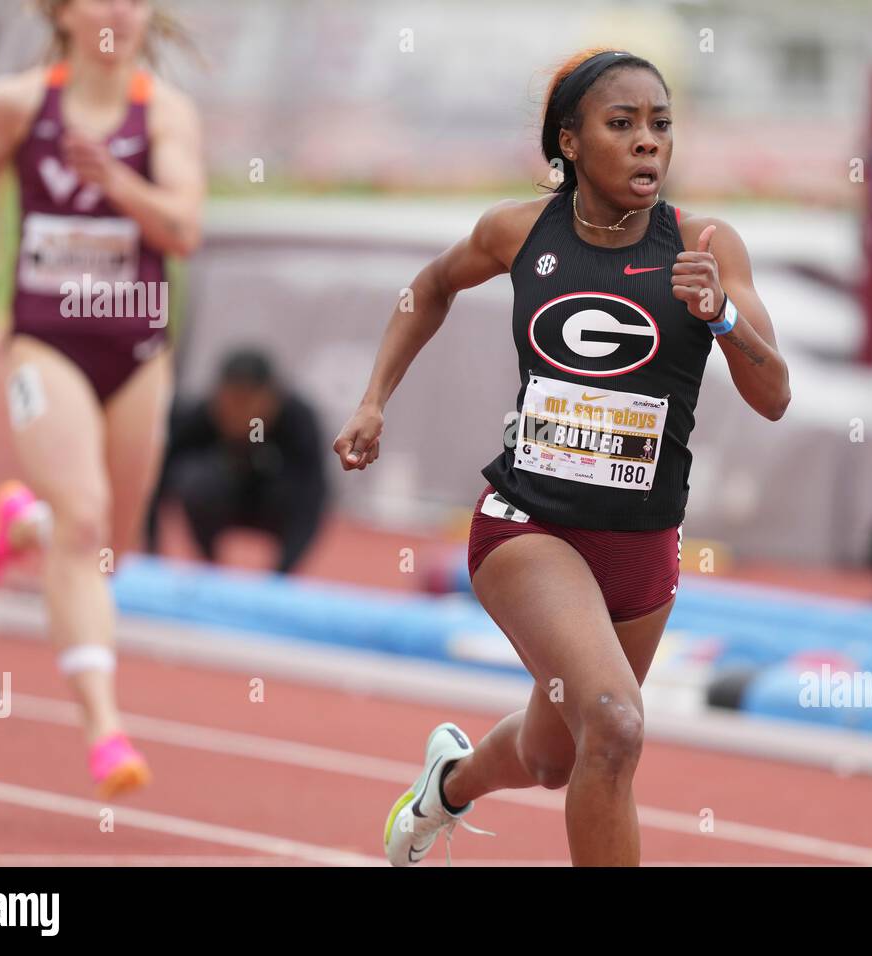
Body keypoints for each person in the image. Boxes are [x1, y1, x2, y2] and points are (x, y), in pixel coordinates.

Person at [333, 48, 792, 867]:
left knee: (558, 757)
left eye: (660, 126)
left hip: (642, 548)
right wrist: (374, 398)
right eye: (622, 126)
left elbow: (775, 394)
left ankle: (449, 782)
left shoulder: (706, 246)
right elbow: (429, 288)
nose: (648, 142)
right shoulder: (519, 231)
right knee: (614, 725)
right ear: (569, 143)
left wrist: (723, 319)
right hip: (527, 527)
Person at [0, 0, 205, 798]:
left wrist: (115, 181)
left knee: (105, 550)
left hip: (134, 348)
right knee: (84, 518)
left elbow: (185, 229)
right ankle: (103, 728)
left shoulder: (164, 112)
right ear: (60, 10)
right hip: (42, 339)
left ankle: (24, 523)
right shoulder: (17, 104)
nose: (121, 11)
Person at [146, 348, 327, 575]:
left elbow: (314, 499)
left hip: (273, 502)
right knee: (194, 480)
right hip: (225, 500)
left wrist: (281, 575)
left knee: (297, 493)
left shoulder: (298, 421)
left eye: (247, 402)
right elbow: (154, 483)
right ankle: (210, 568)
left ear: (272, 398)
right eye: (230, 400)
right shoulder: (201, 416)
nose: (238, 413)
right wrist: (150, 554)